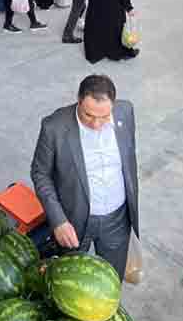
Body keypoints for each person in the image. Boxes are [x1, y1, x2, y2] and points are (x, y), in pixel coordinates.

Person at [30, 74, 140, 277]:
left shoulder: (126, 111)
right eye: (89, 115)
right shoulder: (54, 127)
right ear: (78, 101)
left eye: (104, 117)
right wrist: (58, 220)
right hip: (74, 220)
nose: (97, 124)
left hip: (116, 219)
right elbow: (40, 173)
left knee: (111, 279)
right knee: (70, 281)